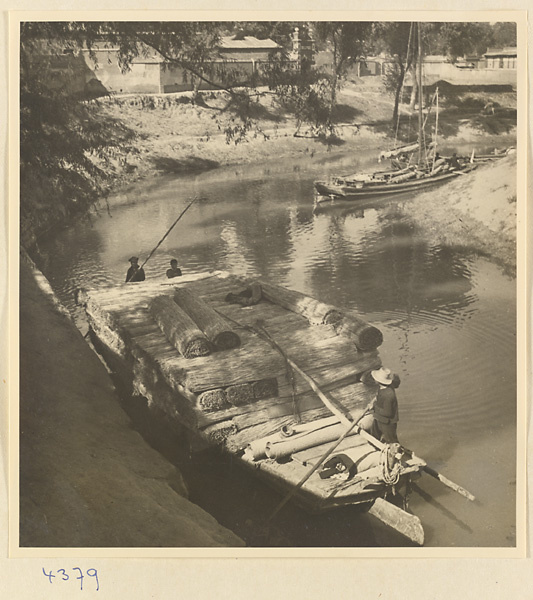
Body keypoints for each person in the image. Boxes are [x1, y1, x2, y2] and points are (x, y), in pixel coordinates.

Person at [360, 367, 400, 444]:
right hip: (379, 418)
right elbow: (396, 383)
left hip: (387, 423)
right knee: (374, 438)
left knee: (392, 442)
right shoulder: (384, 387)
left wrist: (374, 406)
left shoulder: (388, 395)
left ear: (378, 381)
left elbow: (387, 413)